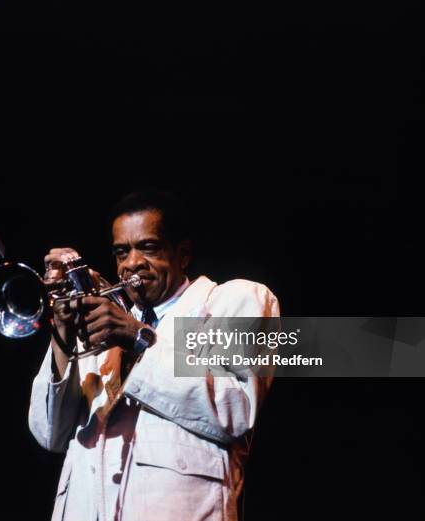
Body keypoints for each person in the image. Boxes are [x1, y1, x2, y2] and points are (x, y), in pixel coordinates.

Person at [28, 190, 280, 521]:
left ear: (183, 254)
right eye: (122, 252)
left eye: (148, 248)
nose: (132, 263)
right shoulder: (103, 329)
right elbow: (49, 434)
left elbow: (236, 411)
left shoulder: (232, 301)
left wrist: (137, 337)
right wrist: (62, 331)